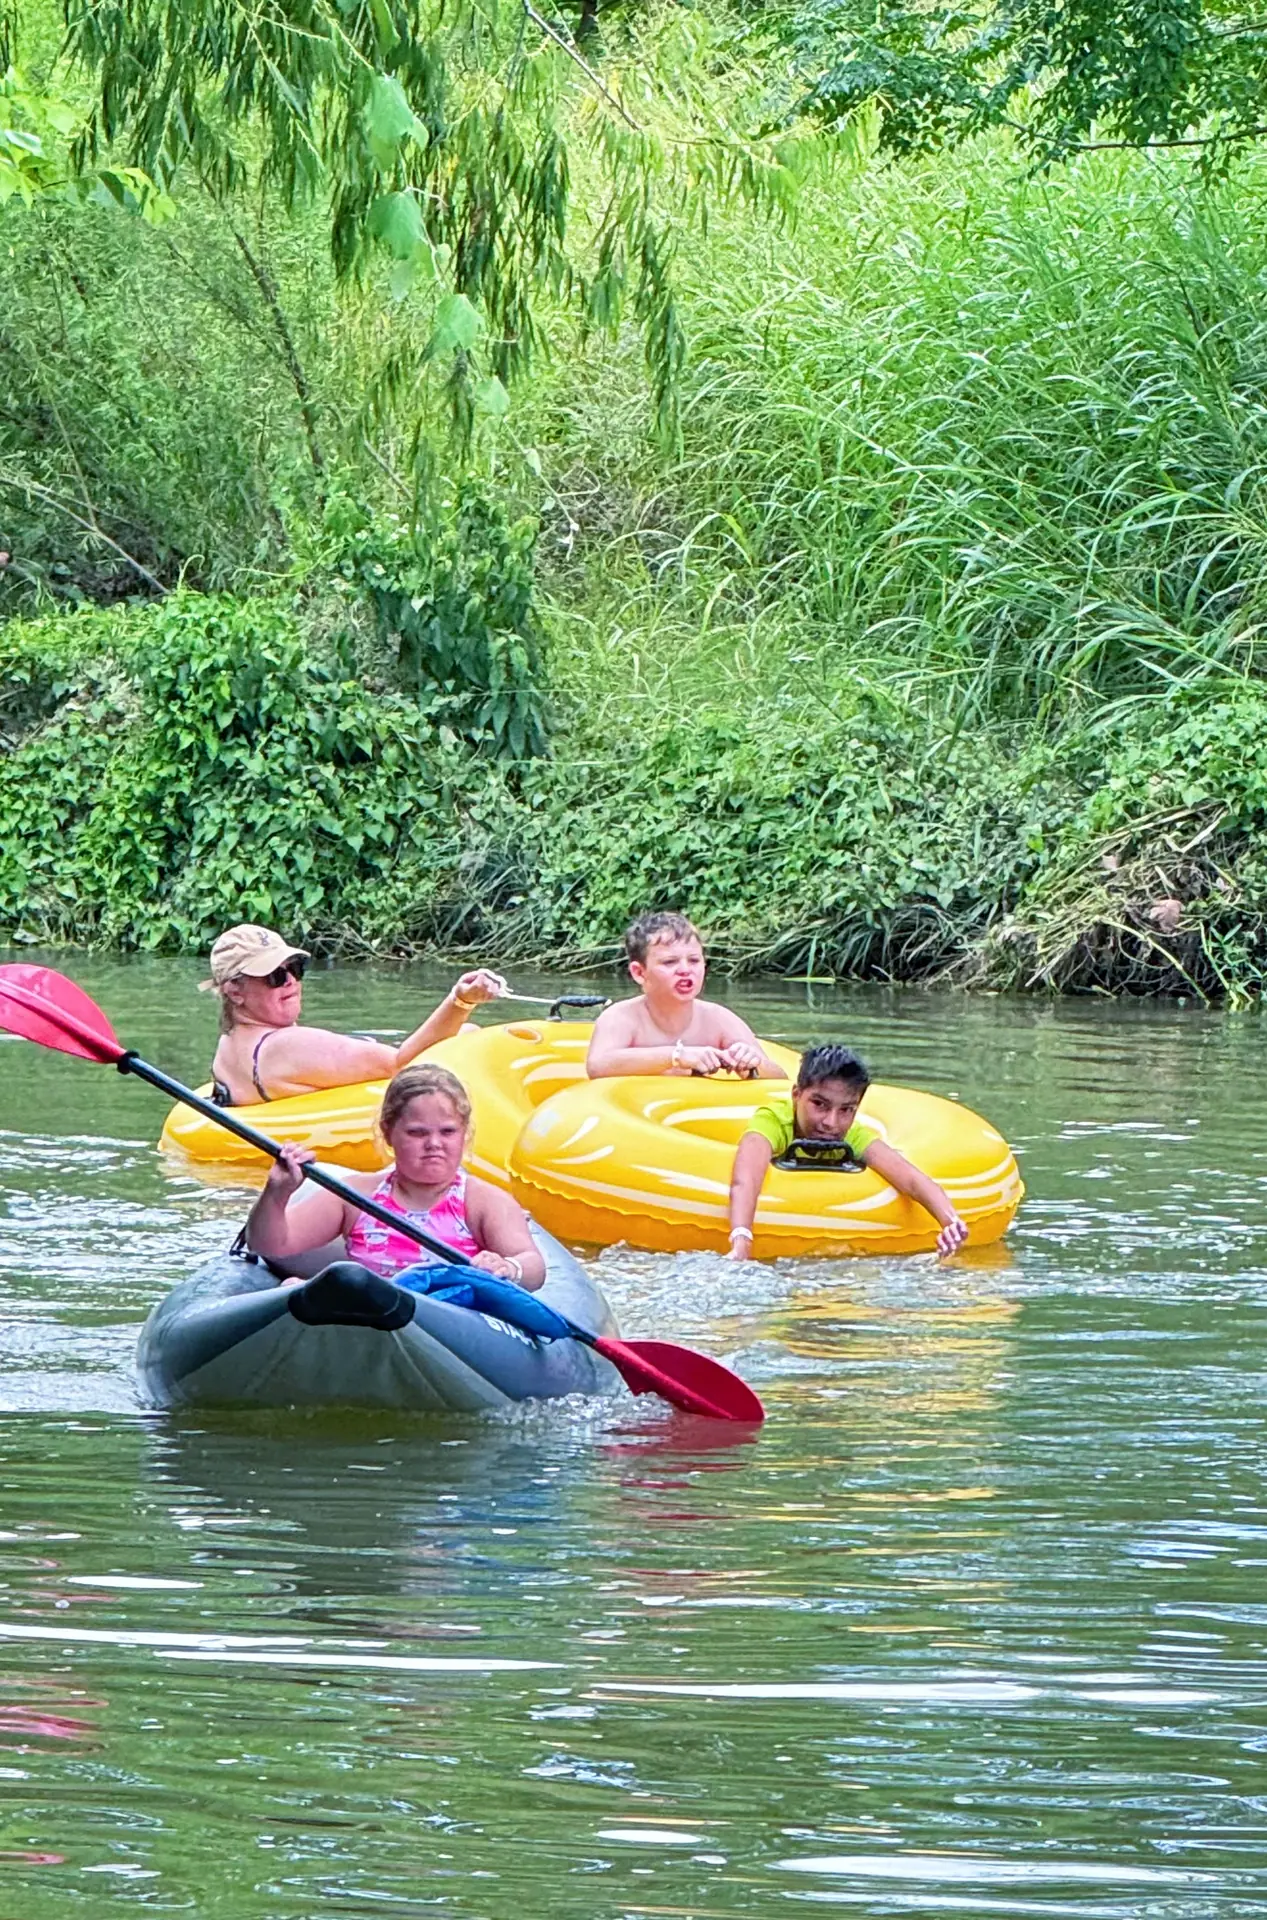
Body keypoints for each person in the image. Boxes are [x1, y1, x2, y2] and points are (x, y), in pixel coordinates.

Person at [245, 1062, 545, 1287]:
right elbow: (270, 1244)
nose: (434, 1144)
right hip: (368, 1314)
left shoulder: (483, 1201)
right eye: (417, 1133)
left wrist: (507, 1267)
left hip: (446, 1324)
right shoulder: (355, 1196)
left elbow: (533, 1266)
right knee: (296, 1287)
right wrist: (277, 1192)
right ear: (388, 1133)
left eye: (448, 1132)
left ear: (464, 1133)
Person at [202, 923, 506, 1107]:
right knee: (468, 1035)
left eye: (294, 969)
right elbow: (401, 1065)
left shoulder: (228, 1046)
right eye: (274, 976)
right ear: (234, 991)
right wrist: (460, 1001)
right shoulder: (286, 1046)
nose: (291, 981)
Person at [727, 1043, 969, 1261]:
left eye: (846, 1110)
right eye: (819, 1105)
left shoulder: (853, 1135)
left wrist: (950, 1222)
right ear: (796, 1095)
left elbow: (912, 1179)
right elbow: (746, 1178)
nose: (830, 1123)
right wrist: (741, 1239)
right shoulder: (773, 1120)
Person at [586, 911, 783, 1079]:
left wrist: (753, 1063)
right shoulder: (621, 1018)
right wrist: (677, 1056)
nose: (685, 970)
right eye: (669, 962)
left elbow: (781, 1078)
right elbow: (597, 1066)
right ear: (639, 972)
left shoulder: (719, 1019)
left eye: (694, 960)